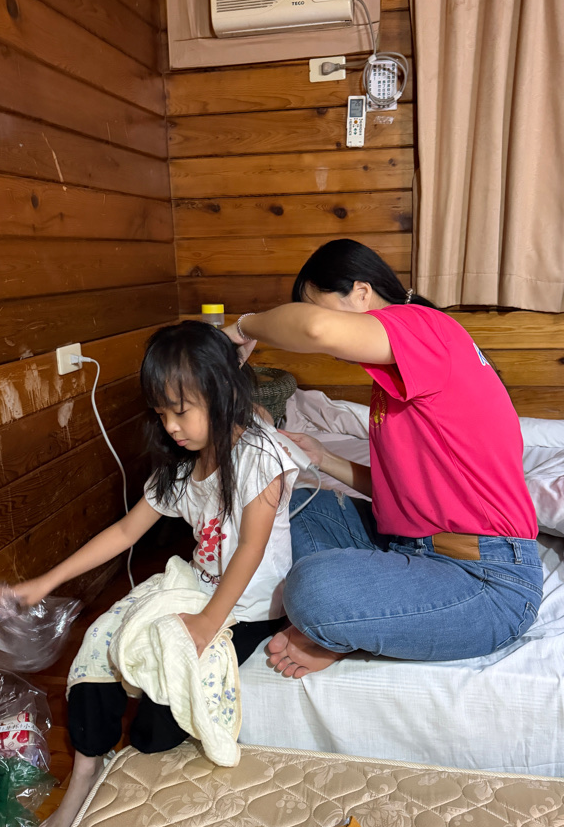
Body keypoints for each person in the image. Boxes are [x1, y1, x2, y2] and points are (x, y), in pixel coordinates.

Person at [9, 321, 297, 827]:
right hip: (196, 585)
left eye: (180, 411)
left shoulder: (261, 455)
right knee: (100, 641)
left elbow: (250, 550)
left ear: (221, 392)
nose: (171, 427)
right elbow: (125, 531)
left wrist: (207, 624)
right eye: (162, 413)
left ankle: (131, 763)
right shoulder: (182, 467)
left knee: (154, 732)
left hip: (249, 607)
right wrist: (45, 582)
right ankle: (86, 768)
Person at [223, 238, 543, 679]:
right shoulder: (398, 373)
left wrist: (244, 327)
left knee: (313, 588)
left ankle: (338, 627)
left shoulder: (424, 326)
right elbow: (402, 493)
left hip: (485, 580)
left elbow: (316, 330)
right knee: (291, 505)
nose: (325, 342)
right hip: (409, 544)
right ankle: (355, 618)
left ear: (361, 292)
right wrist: (323, 457)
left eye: (318, 304)